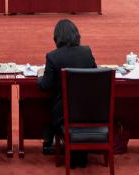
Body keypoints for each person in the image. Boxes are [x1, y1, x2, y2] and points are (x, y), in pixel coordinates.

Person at [38, 19, 96, 165]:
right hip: (89, 112)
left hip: (63, 114)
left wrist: (40, 76)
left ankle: (52, 140)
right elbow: (95, 76)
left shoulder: (53, 56)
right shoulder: (87, 52)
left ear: (57, 37)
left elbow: (45, 86)